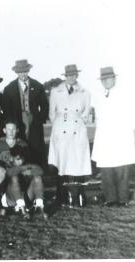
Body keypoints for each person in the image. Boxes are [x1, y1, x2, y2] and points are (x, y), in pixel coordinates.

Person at [48, 65, 92, 207]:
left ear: (77, 76)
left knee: (78, 162)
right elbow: (52, 113)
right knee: (62, 163)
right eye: (69, 75)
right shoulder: (56, 91)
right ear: (65, 76)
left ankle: (79, 195)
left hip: (77, 129)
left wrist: (77, 121)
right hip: (61, 129)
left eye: (74, 75)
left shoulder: (85, 92)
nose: (71, 77)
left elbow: (86, 113)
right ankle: (62, 196)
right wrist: (59, 126)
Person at [91, 67, 135, 207]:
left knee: (121, 168)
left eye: (108, 78)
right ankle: (111, 199)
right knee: (106, 168)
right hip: (104, 137)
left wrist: (127, 133)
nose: (105, 81)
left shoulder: (124, 94)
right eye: (103, 79)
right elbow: (97, 118)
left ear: (114, 79)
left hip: (120, 136)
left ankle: (123, 199)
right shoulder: (99, 96)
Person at [2, 59, 49, 169]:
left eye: (25, 71)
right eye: (20, 72)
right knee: (20, 146)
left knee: (36, 146)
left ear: (28, 71)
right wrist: (12, 123)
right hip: (17, 122)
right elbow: (6, 108)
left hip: (34, 121)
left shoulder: (38, 86)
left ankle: (38, 173)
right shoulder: (9, 88)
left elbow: (45, 106)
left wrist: (39, 120)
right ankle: (19, 173)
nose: (23, 74)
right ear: (16, 72)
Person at [2, 145, 47, 219]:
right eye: (18, 159)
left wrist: (29, 170)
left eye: (22, 159)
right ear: (11, 158)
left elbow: (41, 171)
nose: (20, 162)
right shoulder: (7, 165)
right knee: (14, 178)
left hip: (25, 196)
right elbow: (10, 173)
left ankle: (39, 208)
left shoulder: (26, 163)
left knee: (38, 178)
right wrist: (25, 168)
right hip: (11, 199)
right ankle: (21, 208)